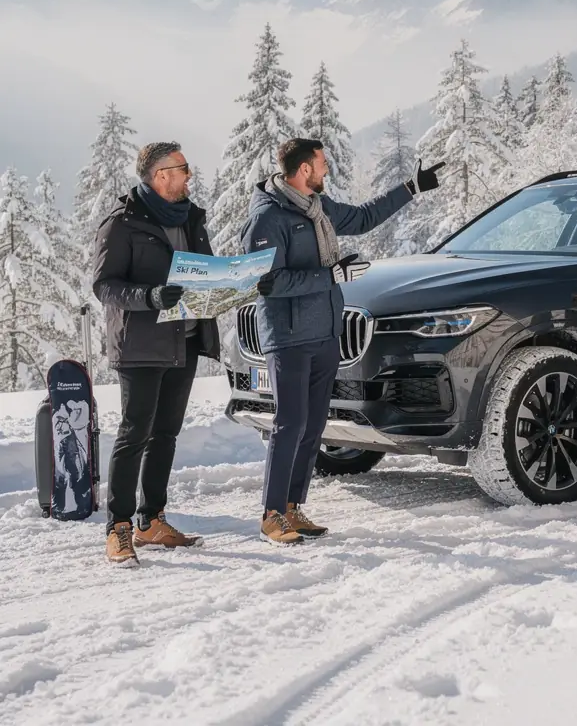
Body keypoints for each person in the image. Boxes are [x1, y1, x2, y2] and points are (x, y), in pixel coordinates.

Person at [242, 138, 443, 545]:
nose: (327, 169)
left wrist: (411, 188)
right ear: (303, 171)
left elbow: (365, 217)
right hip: (290, 336)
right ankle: (271, 514)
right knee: (289, 423)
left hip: (325, 332)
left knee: (314, 424)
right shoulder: (267, 219)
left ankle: (294, 509)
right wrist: (330, 276)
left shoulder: (317, 207)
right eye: (321, 163)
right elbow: (266, 281)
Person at [93, 142, 220, 565]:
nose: (189, 175)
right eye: (183, 167)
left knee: (165, 434)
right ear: (160, 174)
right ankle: (119, 527)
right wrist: (149, 296)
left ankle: (151, 520)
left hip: (183, 340)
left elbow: (208, 273)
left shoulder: (190, 217)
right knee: (135, 435)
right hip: (141, 345)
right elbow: (105, 286)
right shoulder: (123, 223)